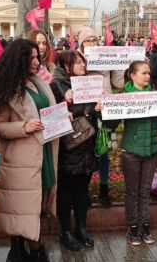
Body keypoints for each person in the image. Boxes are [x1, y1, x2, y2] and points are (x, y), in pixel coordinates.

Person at [0, 38, 58, 262]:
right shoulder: (4, 88)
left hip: (42, 152)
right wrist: (23, 127)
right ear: (19, 60)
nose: (37, 61)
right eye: (32, 57)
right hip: (19, 158)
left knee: (35, 202)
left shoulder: (37, 82)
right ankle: (28, 250)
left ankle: (26, 247)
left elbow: (47, 110)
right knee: (22, 205)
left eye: (38, 57)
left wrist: (62, 117)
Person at [50, 50, 98, 251]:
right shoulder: (55, 86)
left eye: (83, 62)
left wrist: (101, 106)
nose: (82, 66)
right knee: (65, 192)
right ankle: (65, 231)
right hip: (67, 150)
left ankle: (81, 227)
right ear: (65, 65)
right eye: (77, 62)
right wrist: (65, 102)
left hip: (87, 147)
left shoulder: (89, 84)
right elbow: (49, 118)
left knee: (81, 191)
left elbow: (96, 116)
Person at [118, 61, 157, 245]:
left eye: (148, 73)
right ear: (132, 75)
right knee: (132, 191)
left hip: (151, 150)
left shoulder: (155, 96)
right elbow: (111, 123)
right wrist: (102, 110)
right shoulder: (123, 96)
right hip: (131, 150)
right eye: (144, 73)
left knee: (145, 191)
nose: (147, 76)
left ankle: (144, 224)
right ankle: (132, 227)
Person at [77, 27, 124, 205]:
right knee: (86, 150)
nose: (91, 43)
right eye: (87, 41)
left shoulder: (106, 56)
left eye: (93, 40)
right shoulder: (77, 58)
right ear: (81, 43)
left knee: (104, 150)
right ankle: (85, 191)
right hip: (86, 111)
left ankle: (104, 188)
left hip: (106, 110)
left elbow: (118, 83)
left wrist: (120, 65)